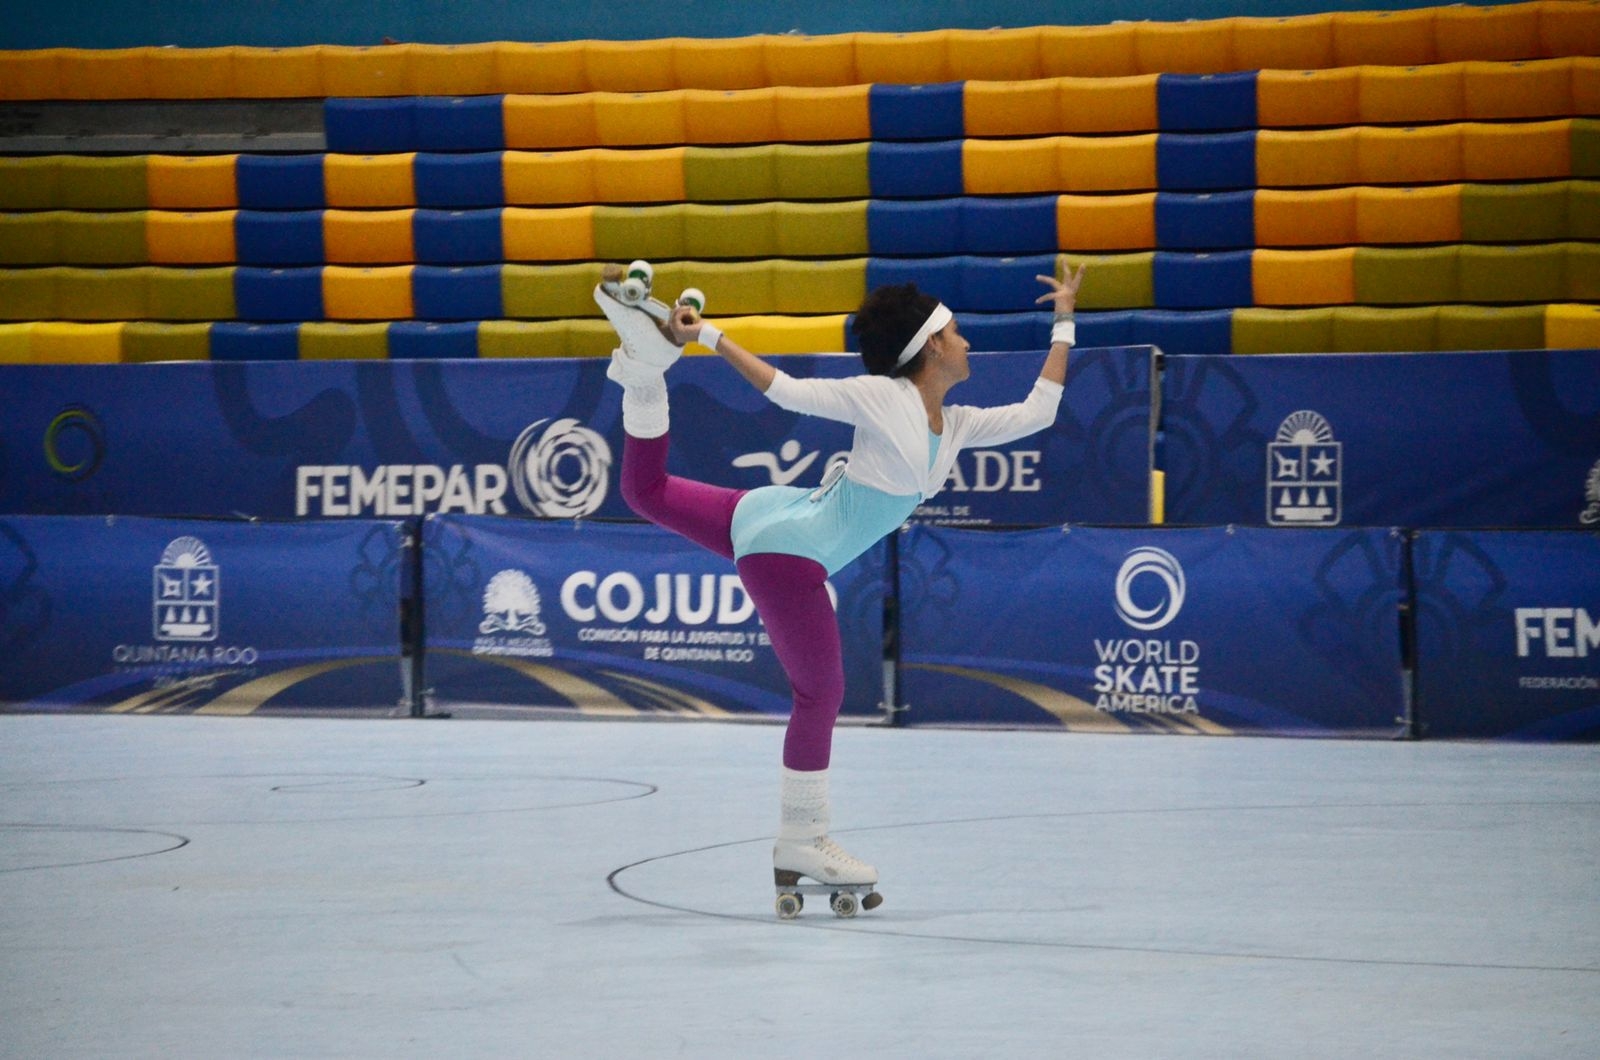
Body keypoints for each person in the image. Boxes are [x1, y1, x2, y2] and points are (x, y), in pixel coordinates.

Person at [601, 265, 1086, 903]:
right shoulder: (884, 398)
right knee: (821, 691)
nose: (968, 344)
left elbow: (1038, 411)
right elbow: (787, 390)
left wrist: (1065, 319)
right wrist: (708, 335)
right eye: (959, 333)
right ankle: (803, 838)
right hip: (791, 552)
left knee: (646, 491)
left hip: (774, 518)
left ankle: (641, 373)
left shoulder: (956, 426)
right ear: (934, 345)